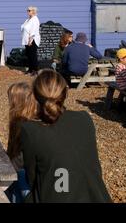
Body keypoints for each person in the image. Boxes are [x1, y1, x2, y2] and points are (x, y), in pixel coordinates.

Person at [21, 69, 112, 203]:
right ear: (66, 93)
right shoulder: (84, 119)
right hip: (96, 197)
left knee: (19, 178)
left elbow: (32, 177)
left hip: (55, 196)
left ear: (34, 96)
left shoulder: (30, 129)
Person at [5, 82, 37, 203]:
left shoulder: (26, 126)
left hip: (26, 176)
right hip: (21, 171)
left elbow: (20, 160)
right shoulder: (22, 121)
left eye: (10, 100)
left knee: (17, 179)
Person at [21, 6, 41, 76]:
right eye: (27, 10)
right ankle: (30, 69)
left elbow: (33, 30)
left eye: (29, 10)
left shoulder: (35, 19)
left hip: (32, 40)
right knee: (29, 55)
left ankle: (35, 70)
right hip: (27, 40)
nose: (28, 12)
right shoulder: (28, 20)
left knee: (33, 55)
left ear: (33, 11)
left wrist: (30, 40)